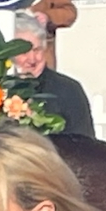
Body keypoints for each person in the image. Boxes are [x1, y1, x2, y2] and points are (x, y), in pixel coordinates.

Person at [7, 11, 94, 139]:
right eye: (23, 52)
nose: (32, 59)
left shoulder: (68, 89)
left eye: (36, 50)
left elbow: (85, 143)